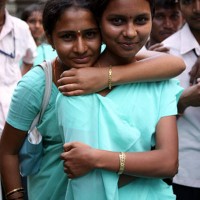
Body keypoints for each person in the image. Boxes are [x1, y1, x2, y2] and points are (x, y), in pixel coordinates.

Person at [0, 0, 185, 200]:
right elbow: (7, 150)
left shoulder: (148, 77)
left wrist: (107, 76)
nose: (80, 48)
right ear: (50, 38)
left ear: (100, 33)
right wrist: (15, 195)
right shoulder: (40, 87)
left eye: (90, 34)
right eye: (67, 36)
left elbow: (174, 64)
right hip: (52, 193)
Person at [56, 0, 183, 199]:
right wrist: (145, 165)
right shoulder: (77, 85)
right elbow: (87, 178)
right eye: (117, 21)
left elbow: (168, 163)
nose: (131, 32)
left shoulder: (161, 84)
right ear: (98, 22)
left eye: (141, 20)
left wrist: (96, 158)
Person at [162, 0, 200, 199]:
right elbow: (148, 122)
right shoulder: (165, 54)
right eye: (189, 1)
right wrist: (183, 101)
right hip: (185, 173)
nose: (197, 9)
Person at [0, 1, 37, 199]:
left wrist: (19, 86)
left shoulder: (20, 28)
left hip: (13, 113)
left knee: (15, 168)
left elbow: (30, 58)